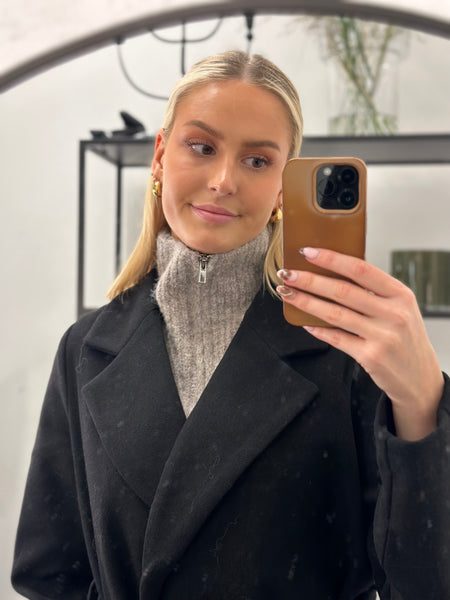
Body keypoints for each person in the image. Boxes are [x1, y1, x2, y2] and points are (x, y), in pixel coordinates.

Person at [12, 50, 449, 600]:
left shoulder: (347, 351)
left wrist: (422, 404)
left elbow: (425, 582)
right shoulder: (85, 349)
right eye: (202, 147)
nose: (223, 181)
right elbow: (50, 574)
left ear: (283, 188)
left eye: (258, 161)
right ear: (160, 156)